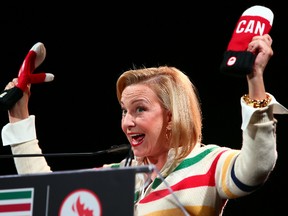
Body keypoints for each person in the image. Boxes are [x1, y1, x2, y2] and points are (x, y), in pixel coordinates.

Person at [1, 34, 288, 216]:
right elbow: (44, 195)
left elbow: (257, 167)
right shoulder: (117, 175)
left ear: (172, 116)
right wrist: (19, 115)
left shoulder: (208, 163)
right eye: (124, 111)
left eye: (139, 110)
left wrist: (255, 81)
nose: (127, 122)